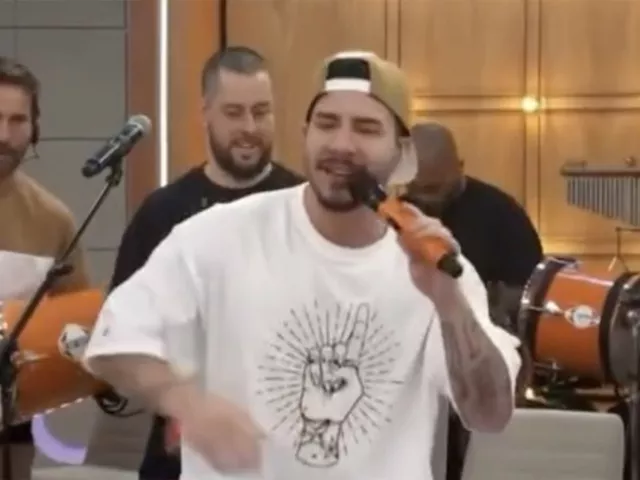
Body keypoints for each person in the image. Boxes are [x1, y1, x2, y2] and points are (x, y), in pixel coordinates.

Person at [83, 51, 521, 480]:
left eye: (366, 128)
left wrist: (449, 303)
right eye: (327, 123)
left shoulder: (436, 264)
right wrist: (188, 403)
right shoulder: (216, 236)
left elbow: (489, 415)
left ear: (402, 151)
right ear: (305, 134)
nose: (341, 145)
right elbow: (112, 342)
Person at [106, 46, 303, 480]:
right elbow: (121, 339)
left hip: (287, 454)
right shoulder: (162, 213)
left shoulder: (304, 207)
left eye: (261, 112)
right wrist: (180, 401)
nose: (249, 127)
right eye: (234, 113)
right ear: (205, 113)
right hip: (178, 456)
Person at [404, 121, 543, 480]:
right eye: (418, 190)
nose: (428, 201)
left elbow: (528, 294)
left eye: (436, 189)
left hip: (481, 351)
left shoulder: (501, 214)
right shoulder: (397, 213)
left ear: (460, 167)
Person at [0, 57, 90, 479]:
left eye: (17, 120)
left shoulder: (53, 220)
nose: (4, 135)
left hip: (12, 431)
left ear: (35, 128)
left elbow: (78, 333)